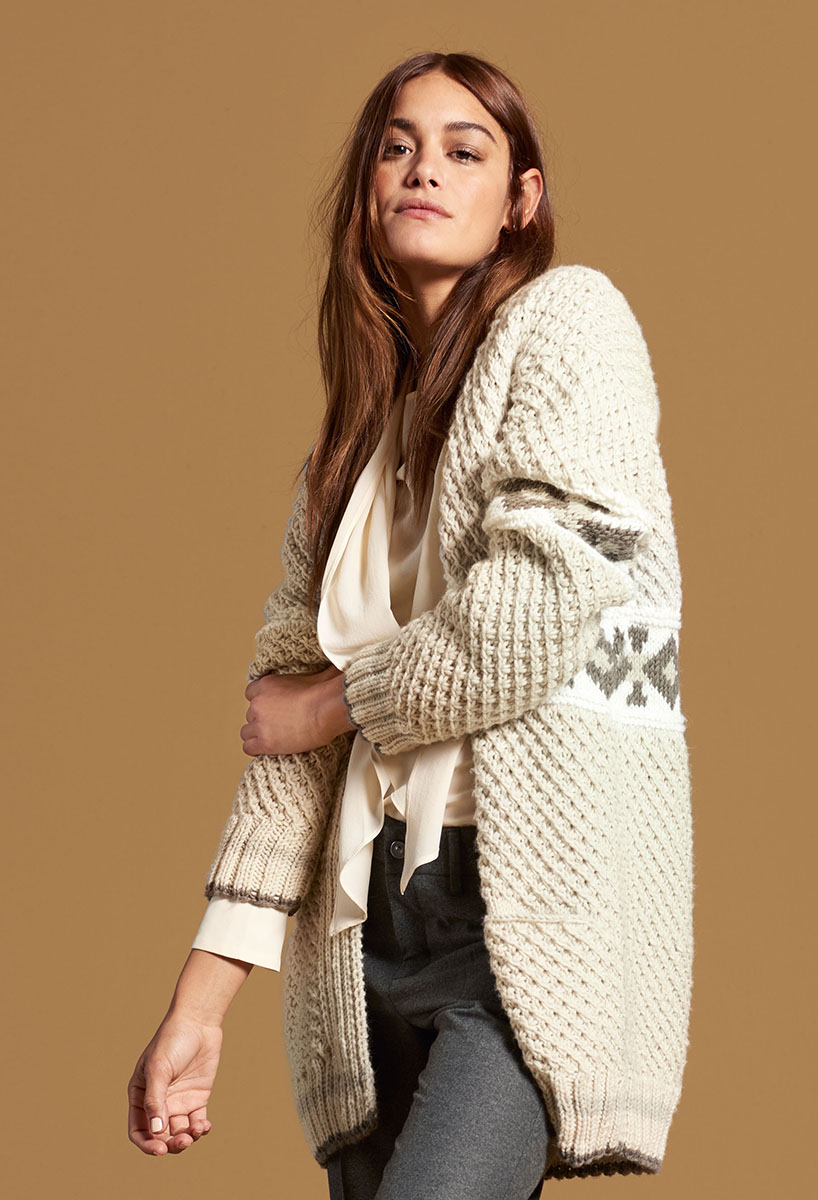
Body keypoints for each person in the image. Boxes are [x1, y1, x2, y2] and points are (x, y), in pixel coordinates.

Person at [127, 51, 693, 1198]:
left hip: (526, 920)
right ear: (366, 190)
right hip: (365, 931)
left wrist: (334, 703)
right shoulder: (347, 454)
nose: (423, 169)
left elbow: (524, 621)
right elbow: (283, 753)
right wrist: (200, 1004)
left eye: (462, 149)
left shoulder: (570, 325)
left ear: (519, 200)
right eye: (396, 147)